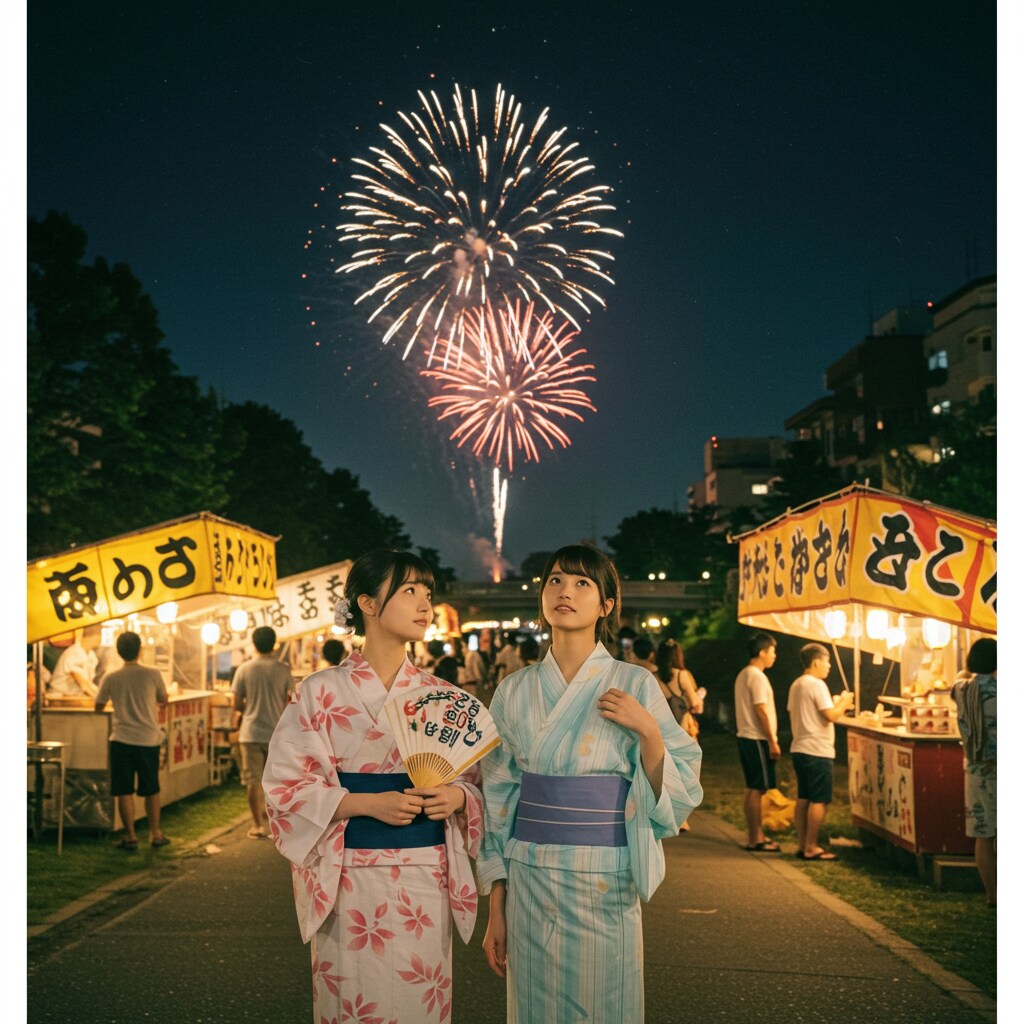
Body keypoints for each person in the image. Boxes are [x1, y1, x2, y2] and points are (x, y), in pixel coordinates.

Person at [479, 544, 703, 1022]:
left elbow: (682, 778)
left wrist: (648, 731)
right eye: (556, 580)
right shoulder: (513, 691)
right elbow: (495, 799)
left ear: (605, 606)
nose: (566, 591)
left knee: (604, 1004)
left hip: (605, 875)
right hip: (529, 876)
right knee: (534, 1006)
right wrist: (496, 906)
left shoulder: (634, 683)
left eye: (583, 583)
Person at [262, 549, 483, 1023]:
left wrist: (458, 796)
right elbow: (284, 786)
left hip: (426, 875)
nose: (425, 604)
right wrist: (366, 803)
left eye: (428, 593)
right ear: (366, 601)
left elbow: (474, 779)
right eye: (409, 592)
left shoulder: (440, 695)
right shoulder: (320, 691)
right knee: (351, 1005)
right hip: (348, 877)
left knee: (419, 1002)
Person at [93, 631, 170, 850]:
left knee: (124, 789)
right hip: (148, 739)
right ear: (140, 649)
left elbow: (98, 706)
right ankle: (156, 834)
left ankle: (130, 837)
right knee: (151, 788)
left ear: (118, 652)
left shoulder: (111, 677)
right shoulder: (152, 674)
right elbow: (163, 699)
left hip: (121, 739)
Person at [787, 642, 854, 861]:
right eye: (827, 661)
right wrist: (844, 702)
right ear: (816, 661)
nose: (829, 666)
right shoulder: (816, 685)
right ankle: (811, 846)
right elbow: (831, 716)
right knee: (819, 799)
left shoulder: (797, 684)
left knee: (804, 797)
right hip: (817, 750)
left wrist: (838, 706)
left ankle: (802, 844)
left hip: (799, 748)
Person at [232, 626, 294, 838]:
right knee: (277, 783)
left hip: (250, 733)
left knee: (253, 781)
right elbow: (290, 703)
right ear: (274, 644)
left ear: (254, 643)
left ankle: (257, 825)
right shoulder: (283, 669)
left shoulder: (244, 669)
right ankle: (278, 826)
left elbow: (236, 704)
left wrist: (248, 708)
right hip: (277, 734)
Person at [952, 637, 997, 906]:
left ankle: (992, 894)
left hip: (975, 768)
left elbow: (960, 678)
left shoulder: (960, 690)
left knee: (984, 833)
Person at [734, 632, 782, 852]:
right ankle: (755, 838)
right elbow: (761, 709)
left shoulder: (745, 674)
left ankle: (757, 835)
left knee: (753, 787)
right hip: (756, 738)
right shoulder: (757, 676)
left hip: (747, 736)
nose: (775, 656)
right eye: (773, 651)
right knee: (757, 788)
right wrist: (772, 741)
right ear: (762, 652)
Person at [654, 639, 703, 738]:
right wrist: (700, 695)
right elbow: (696, 706)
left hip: (662, 730)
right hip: (683, 729)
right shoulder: (681, 675)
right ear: (678, 656)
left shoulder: (653, 677)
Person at [48, 628, 102, 697]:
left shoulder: (91, 655)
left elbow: (89, 684)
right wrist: (103, 699)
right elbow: (84, 685)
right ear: (95, 636)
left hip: (74, 696)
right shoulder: (73, 653)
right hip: (59, 697)